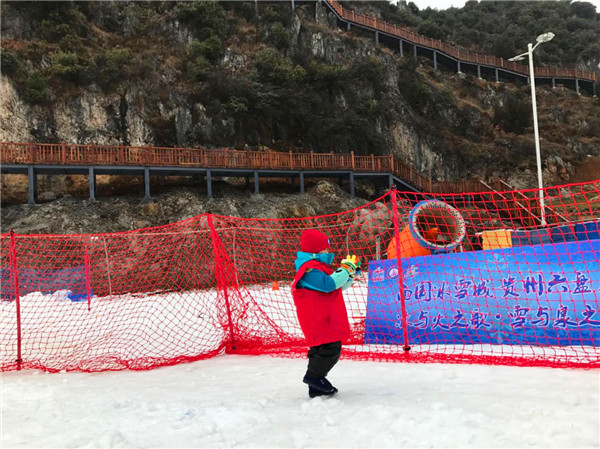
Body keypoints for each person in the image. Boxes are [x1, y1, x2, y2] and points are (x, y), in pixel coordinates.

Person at [292, 229, 360, 398]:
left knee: (322, 349)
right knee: (329, 349)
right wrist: (345, 269)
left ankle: (315, 386)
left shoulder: (321, 267)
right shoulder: (308, 270)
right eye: (325, 249)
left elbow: (339, 285)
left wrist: (349, 274)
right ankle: (314, 377)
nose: (328, 252)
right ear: (315, 250)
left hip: (325, 317)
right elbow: (329, 284)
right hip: (317, 318)